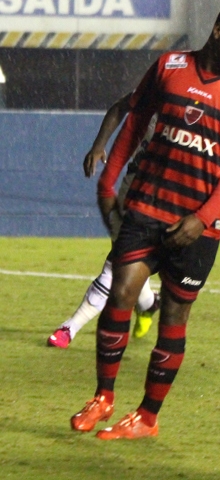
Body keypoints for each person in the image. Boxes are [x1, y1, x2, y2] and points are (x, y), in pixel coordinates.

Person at [69, 1, 220, 440]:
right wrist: (108, 181)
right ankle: (103, 397)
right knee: (120, 294)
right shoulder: (169, 66)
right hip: (147, 207)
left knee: (174, 315)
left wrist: (203, 217)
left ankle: (147, 417)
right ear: (217, 30)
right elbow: (136, 120)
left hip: (199, 227)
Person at [47, 94, 160, 349]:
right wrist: (99, 144)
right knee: (121, 259)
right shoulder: (162, 88)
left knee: (127, 260)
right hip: (134, 190)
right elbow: (121, 106)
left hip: (170, 197)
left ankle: (148, 304)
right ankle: (70, 327)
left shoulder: (201, 110)